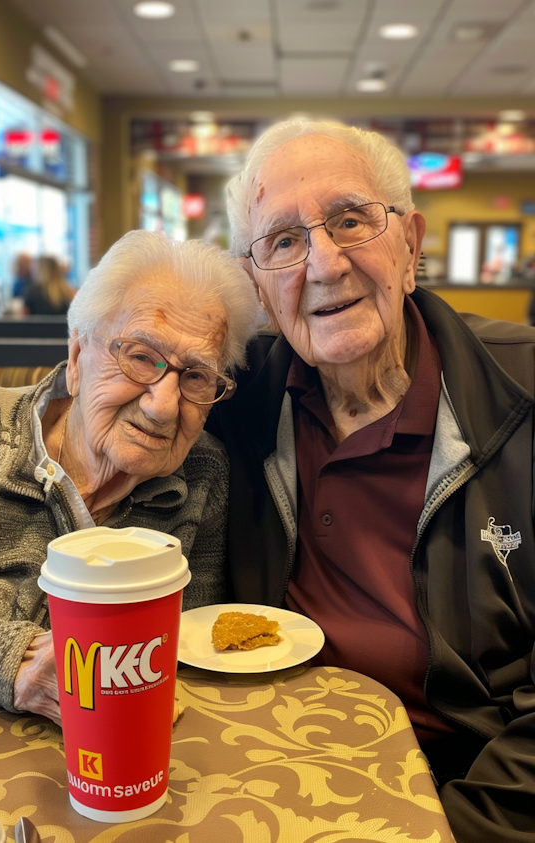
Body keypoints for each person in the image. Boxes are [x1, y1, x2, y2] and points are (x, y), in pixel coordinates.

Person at [206, 118, 535, 842]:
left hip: (466, 788)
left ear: (410, 245)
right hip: (265, 767)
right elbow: (111, 381)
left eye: (350, 220)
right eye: (284, 241)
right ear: (258, 284)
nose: (323, 264)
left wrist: (443, 828)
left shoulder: (522, 394)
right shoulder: (235, 396)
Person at [0, 230, 264, 728]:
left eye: (196, 376)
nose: (162, 406)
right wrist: (10, 663)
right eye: (139, 356)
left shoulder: (202, 473)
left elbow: (190, 650)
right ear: (75, 359)